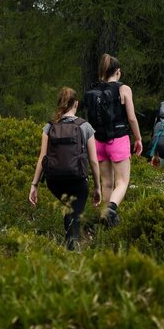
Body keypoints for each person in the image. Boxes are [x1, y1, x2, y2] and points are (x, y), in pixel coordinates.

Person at [29, 87, 101, 250]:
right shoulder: (85, 126)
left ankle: (70, 246)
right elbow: (94, 161)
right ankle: (72, 251)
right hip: (78, 180)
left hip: (54, 181)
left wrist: (34, 185)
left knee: (70, 209)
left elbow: (42, 157)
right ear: (76, 103)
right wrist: (97, 188)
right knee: (74, 212)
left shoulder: (49, 126)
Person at [86, 54, 143, 227]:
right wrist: (138, 138)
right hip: (118, 140)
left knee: (107, 183)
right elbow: (132, 118)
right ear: (118, 72)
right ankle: (111, 209)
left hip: (98, 142)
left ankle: (105, 220)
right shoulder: (124, 89)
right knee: (122, 182)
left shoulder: (93, 91)